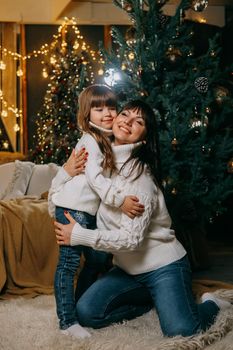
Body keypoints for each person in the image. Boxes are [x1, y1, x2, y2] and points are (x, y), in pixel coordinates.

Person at [54, 99, 231, 338]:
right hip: (127, 270)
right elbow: (73, 189)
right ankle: (154, 299)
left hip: (163, 266)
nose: (127, 121)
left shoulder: (140, 180)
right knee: (87, 313)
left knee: (182, 329)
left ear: (143, 139)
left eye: (138, 122)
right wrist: (66, 170)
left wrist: (79, 235)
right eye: (125, 114)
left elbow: (131, 240)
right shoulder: (99, 161)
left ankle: (211, 304)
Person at [48, 86, 144, 339]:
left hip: (88, 211)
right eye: (99, 108)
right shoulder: (90, 140)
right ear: (86, 113)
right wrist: (121, 200)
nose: (108, 113)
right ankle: (67, 321)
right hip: (73, 208)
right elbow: (95, 180)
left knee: (97, 260)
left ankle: (79, 308)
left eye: (112, 107)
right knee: (68, 265)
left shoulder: (106, 139)